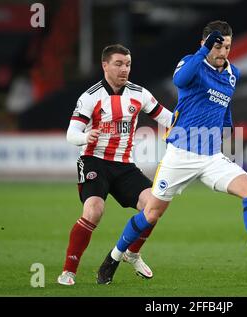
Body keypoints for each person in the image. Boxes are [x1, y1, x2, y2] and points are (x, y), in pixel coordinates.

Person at [96, 21, 247, 285]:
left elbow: (226, 106)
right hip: (181, 154)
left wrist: (227, 127)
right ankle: (114, 256)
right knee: (152, 214)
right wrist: (203, 52)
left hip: (212, 156)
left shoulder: (232, 73)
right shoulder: (191, 63)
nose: (223, 51)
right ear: (204, 44)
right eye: (217, 44)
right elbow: (179, 80)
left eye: (227, 45)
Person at [57, 44, 173, 285]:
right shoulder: (90, 97)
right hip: (94, 161)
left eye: (128, 64)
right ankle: (69, 271)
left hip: (124, 165)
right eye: (119, 64)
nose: (124, 69)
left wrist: (193, 117)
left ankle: (132, 252)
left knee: (155, 205)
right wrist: (84, 137)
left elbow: (168, 118)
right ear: (105, 65)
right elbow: (71, 133)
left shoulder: (139, 94)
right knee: (94, 210)